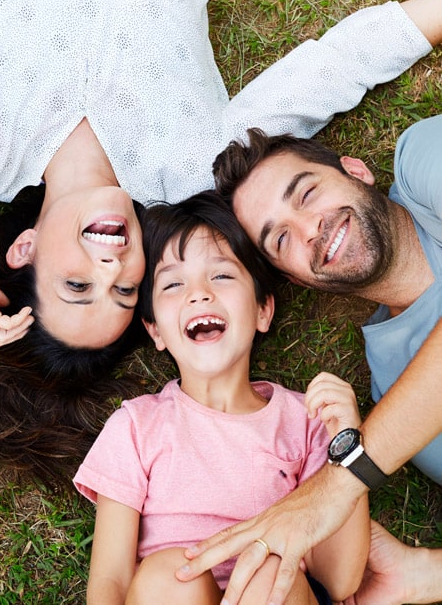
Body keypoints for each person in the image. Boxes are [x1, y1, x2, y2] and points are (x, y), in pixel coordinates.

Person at [0, 0, 438, 482]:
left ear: (25, 248)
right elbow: (332, 68)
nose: (110, 269)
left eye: (76, 285)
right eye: (125, 292)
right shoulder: (194, 171)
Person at [173, 117, 442, 601]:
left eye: (306, 193)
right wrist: (424, 572)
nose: (310, 229)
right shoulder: (391, 389)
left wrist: (336, 488)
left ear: (356, 171)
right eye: (281, 240)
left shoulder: (424, 161)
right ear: (296, 279)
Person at [73, 192, 370, 605]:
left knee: (266, 572)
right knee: (168, 575)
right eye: (174, 284)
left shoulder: (308, 420)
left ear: (263, 310)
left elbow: (339, 579)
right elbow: (111, 583)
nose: (199, 294)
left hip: (274, 595)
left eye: (222, 276)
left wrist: (348, 445)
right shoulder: (135, 426)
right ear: (156, 330)